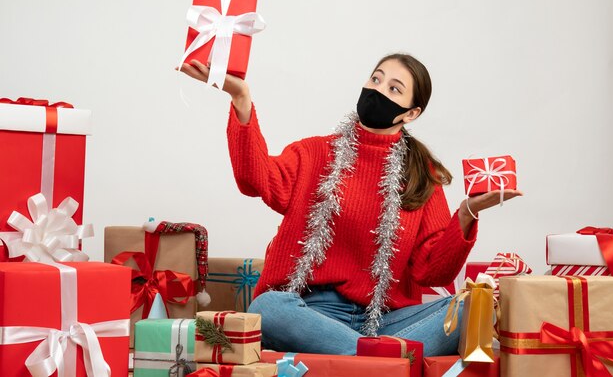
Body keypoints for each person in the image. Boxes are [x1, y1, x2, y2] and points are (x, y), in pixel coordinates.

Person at [178, 53, 522, 357]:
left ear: (411, 113)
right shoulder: (316, 153)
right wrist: (242, 98)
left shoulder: (422, 175)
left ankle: (364, 356)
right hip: (309, 314)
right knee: (268, 307)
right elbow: (257, 177)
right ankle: (377, 359)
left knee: (467, 308)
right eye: (376, 79)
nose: (378, 90)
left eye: (394, 89)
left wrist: (466, 213)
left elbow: (433, 272)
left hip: (384, 321)